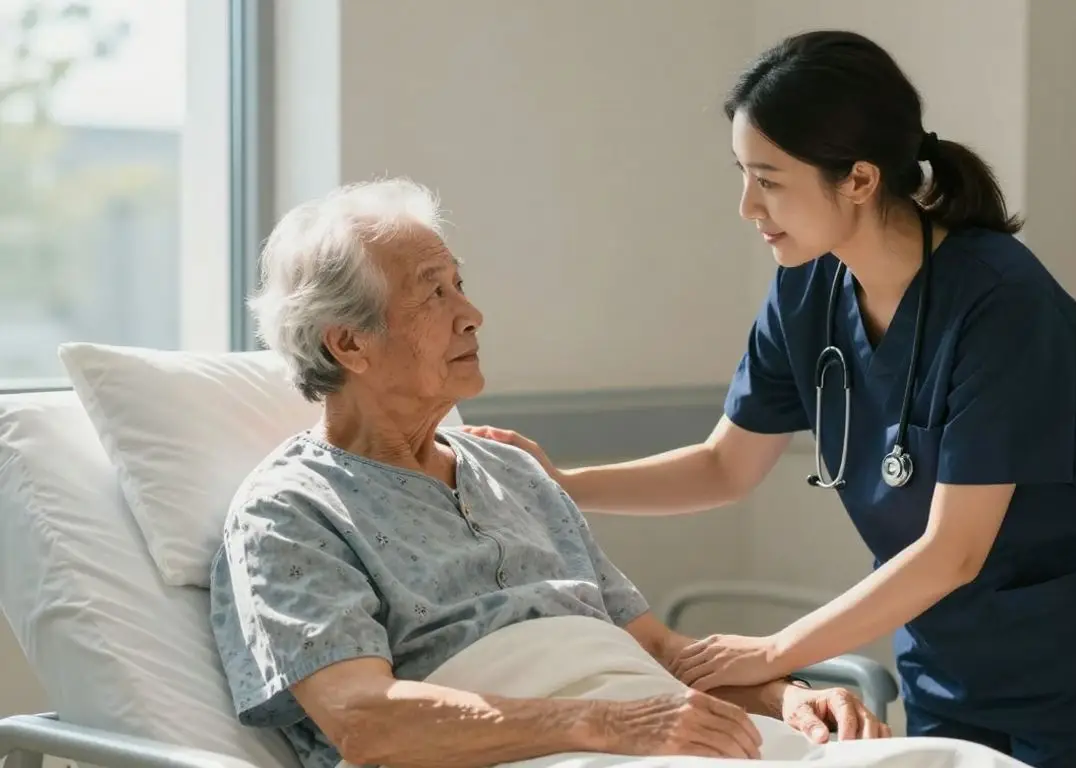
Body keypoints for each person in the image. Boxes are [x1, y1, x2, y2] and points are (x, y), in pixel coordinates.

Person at [462, 30, 1076, 768]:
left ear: (859, 179)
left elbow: (955, 549)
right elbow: (726, 466)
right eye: (742, 174)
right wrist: (560, 485)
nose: (747, 206)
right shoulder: (805, 290)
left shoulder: (1002, 301)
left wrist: (774, 653)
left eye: (769, 180)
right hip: (949, 658)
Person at [206, 178, 894, 768]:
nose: (472, 315)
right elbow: (365, 720)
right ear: (349, 343)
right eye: (433, 294)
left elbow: (657, 652)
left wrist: (786, 696)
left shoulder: (514, 473)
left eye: (459, 284)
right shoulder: (290, 510)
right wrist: (611, 723)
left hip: (645, 732)